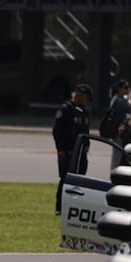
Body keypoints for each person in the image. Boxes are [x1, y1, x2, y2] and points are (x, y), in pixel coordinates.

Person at [53, 83, 92, 216]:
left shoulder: (83, 111)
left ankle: (74, 205)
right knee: (66, 178)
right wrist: (61, 149)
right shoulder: (66, 109)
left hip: (80, 151)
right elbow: (57, 131)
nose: (84, 100)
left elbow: (85, 130)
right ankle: (60, 206)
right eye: (81, 96)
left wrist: (87, 145)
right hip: (68, 150)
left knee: (80, 178)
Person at [101, 79, 131, 169]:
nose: (127, 89)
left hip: (122, 129)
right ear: (119, 89)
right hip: (117, 129)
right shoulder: (118, 100)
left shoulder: (122, 99)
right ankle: (114, 170)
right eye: (125, 88)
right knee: (118, 152)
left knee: (119, 152)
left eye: (128, 88)